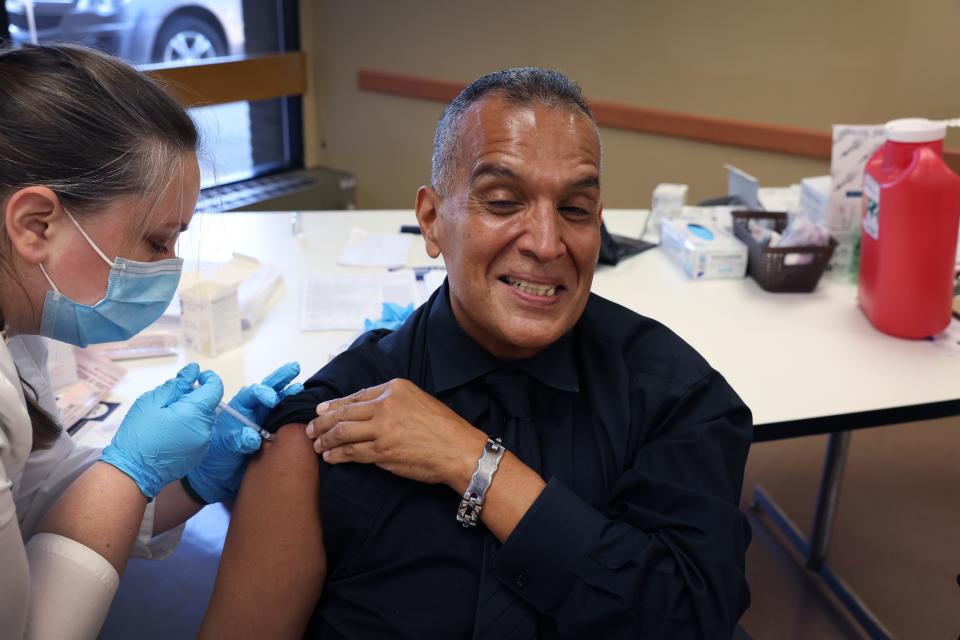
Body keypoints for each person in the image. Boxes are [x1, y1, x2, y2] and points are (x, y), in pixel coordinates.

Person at [204, 68, 752, 639]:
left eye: (574, 209)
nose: (545, 242)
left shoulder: (673, 395)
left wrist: (475, 462)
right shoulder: (323, 433)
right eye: (502, 201)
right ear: (432, 220)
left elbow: (693, 620)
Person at [0, 44, 300, 639]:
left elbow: (36, 498)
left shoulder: (22, 327)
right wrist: (132, 470)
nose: (169, 267)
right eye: (157, 243)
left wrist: (187, 481)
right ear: (36, 224)